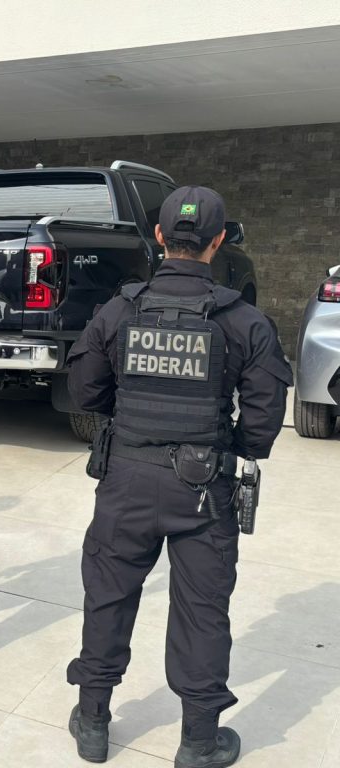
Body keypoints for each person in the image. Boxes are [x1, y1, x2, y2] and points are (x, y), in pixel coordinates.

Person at [64, 186, 292, 766]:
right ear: (219, 242)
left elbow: (84, 391)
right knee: (202, 610)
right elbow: (263, 420)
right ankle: (198, 742)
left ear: (160, 237)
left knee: (108, 597)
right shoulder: (243, 321)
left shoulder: (119, 311)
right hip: (204, 487)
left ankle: (93, 723)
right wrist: (225, 447)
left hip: (126, 478)